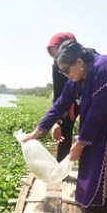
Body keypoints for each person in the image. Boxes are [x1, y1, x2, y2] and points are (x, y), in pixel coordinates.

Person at [22, 40, 107, 213]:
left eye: (66, 70)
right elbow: (60, 105)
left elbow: (97, 112)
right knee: (97, 144)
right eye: (61, 71)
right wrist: (37, 132)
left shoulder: (104, 68)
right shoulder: (75, 80)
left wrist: (80, 143)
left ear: (79, 62)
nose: (65, 75)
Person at [46, 32, 79, 162]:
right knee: (64, 129)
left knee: (89, 135)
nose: (58, 59)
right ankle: (61, 168)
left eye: (58, 52)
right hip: (70, 101)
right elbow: (58, 93)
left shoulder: (90, 59)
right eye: (54, 55)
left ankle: (100, 173)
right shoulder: (56, 66)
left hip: (89, 99)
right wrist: (56, 121)